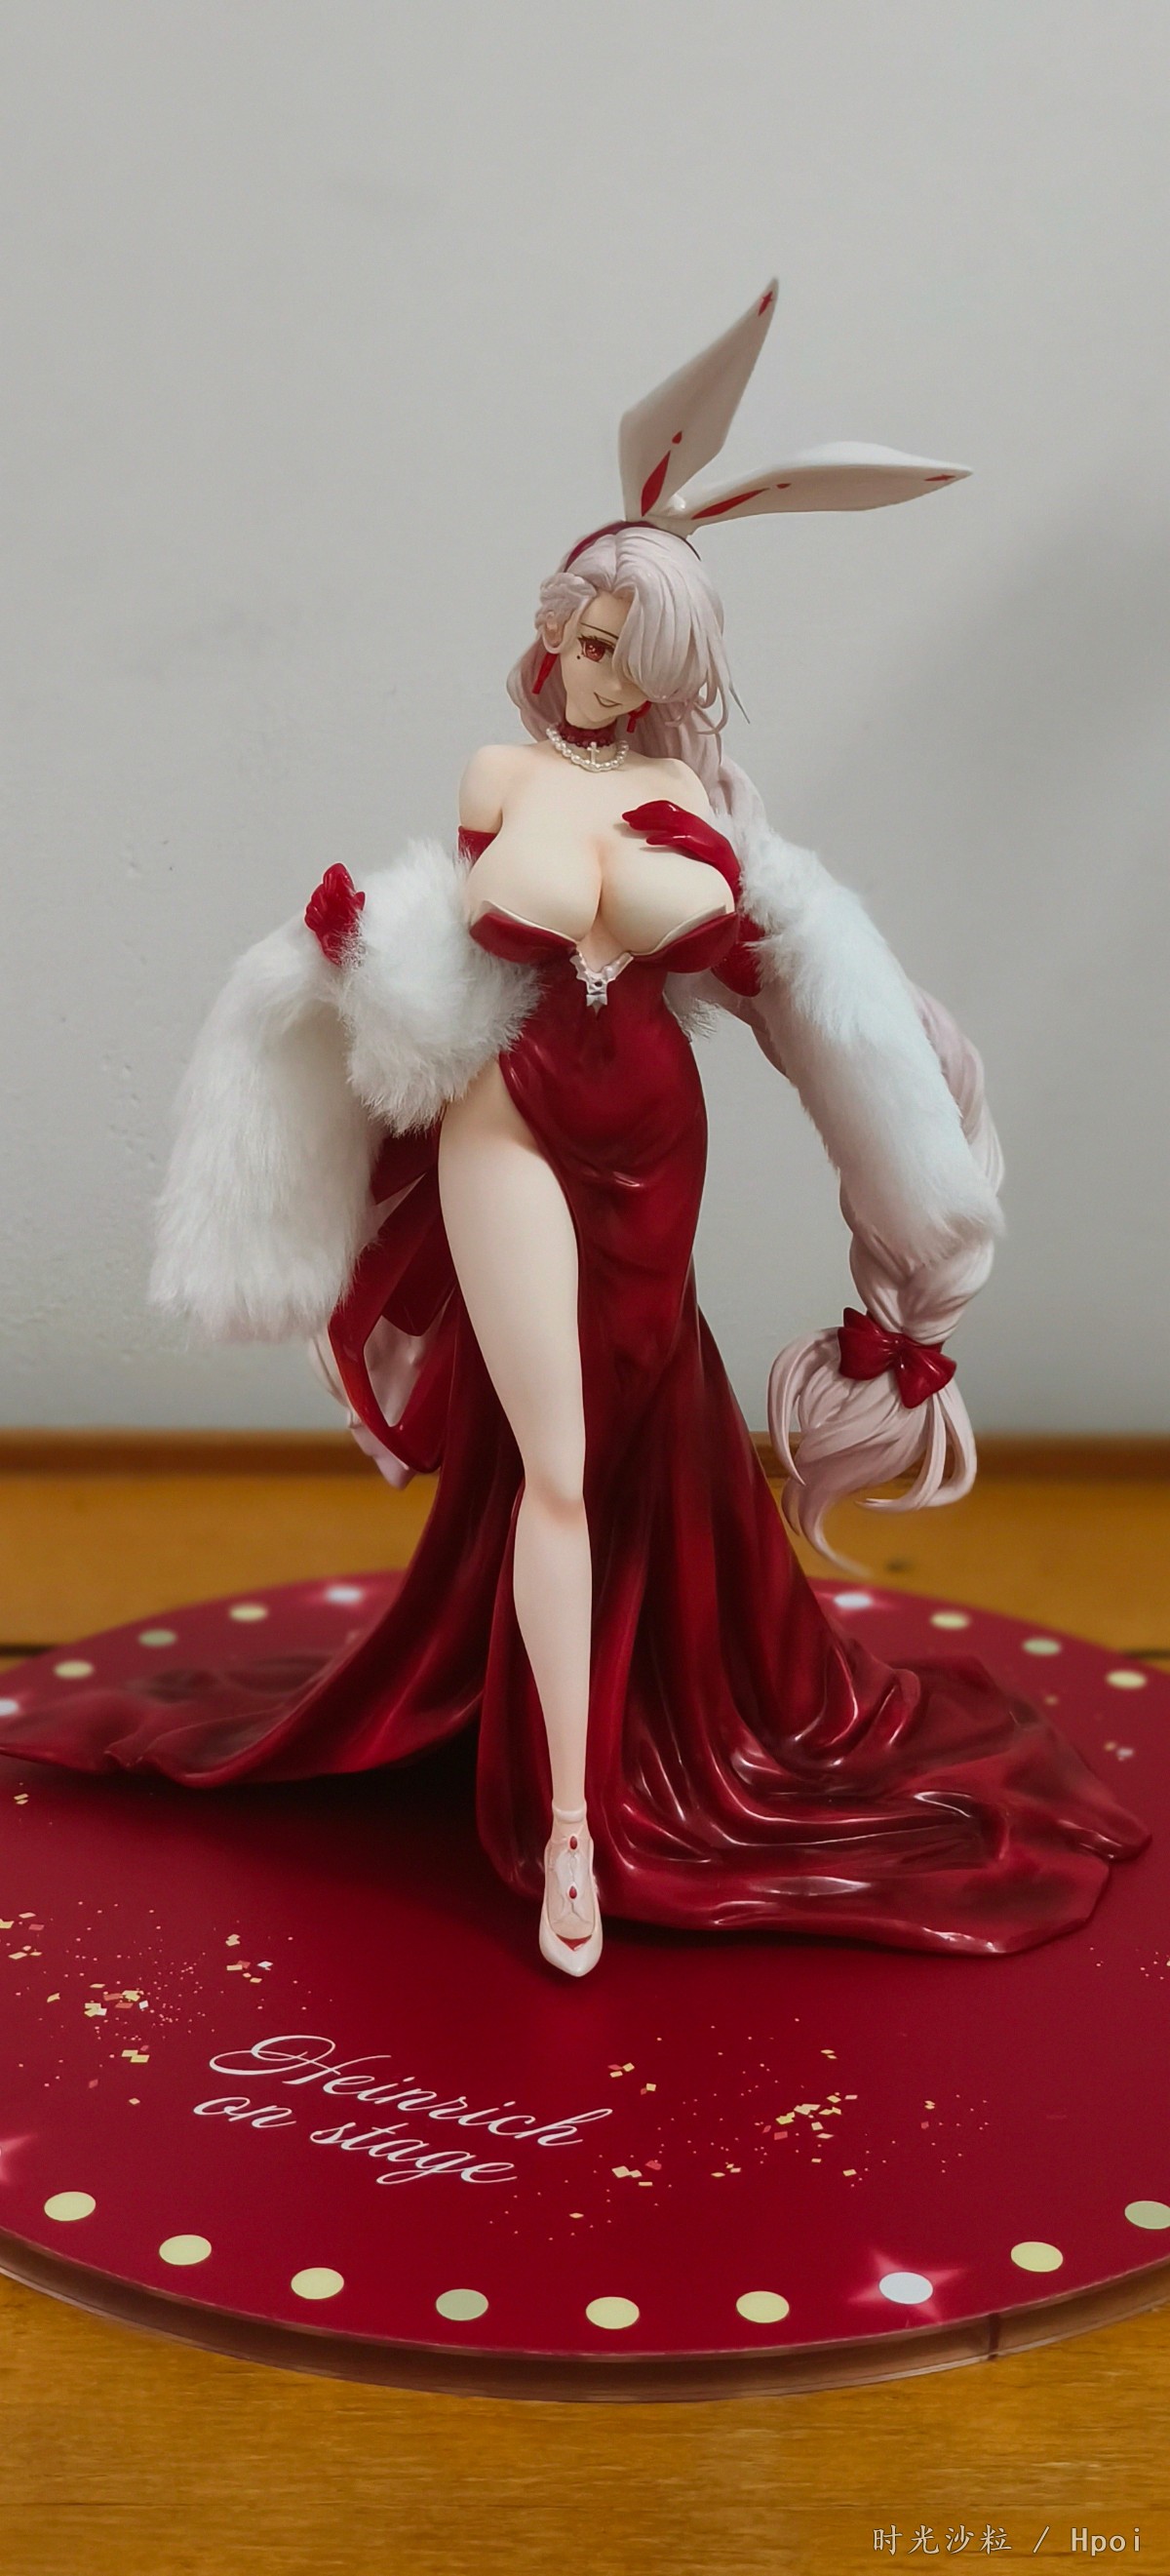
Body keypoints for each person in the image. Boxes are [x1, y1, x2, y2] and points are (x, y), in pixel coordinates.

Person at [2, 291, 1148, 1973]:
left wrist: (906, 1167)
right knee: (555, 1460)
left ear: (675, 669)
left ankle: (646, 1720)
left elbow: (782, 981)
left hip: (652, 1137)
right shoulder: (506, 775)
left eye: (628, 648)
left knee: (636, 1429)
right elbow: (501, 916)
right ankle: (569, 1828)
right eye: (583, 630)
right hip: (511, 1115)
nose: (590, 666)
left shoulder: (706, 812)